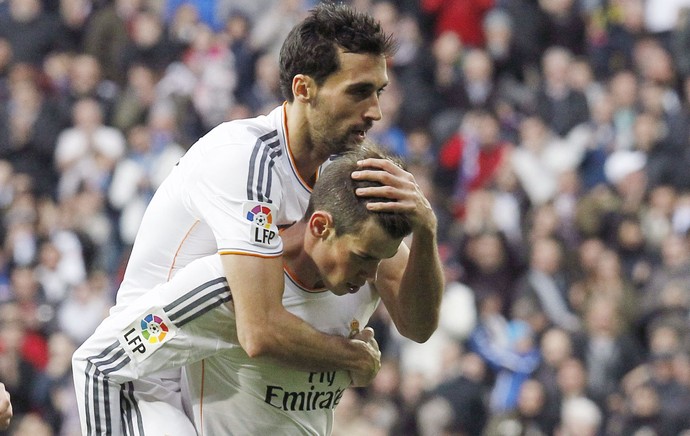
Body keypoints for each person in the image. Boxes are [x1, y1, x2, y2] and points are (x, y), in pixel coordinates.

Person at [94, 3, 411, 435]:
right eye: (359, 91)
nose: (375, 110)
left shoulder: (335, 173)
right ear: (304, 88)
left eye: (380, 91)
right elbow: (260, 329)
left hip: (211, 366)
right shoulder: (247, 160)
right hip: (150, 372)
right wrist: (350, 357)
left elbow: (416, 320)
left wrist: (424, 228)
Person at [72, 146, 443, 434]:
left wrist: (426, 230)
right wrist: (349, 358)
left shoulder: (366, 270)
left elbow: (420, 327)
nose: (372, 273)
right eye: (363, 257)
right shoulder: (223, 289)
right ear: (319, 227)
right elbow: (98, 362)